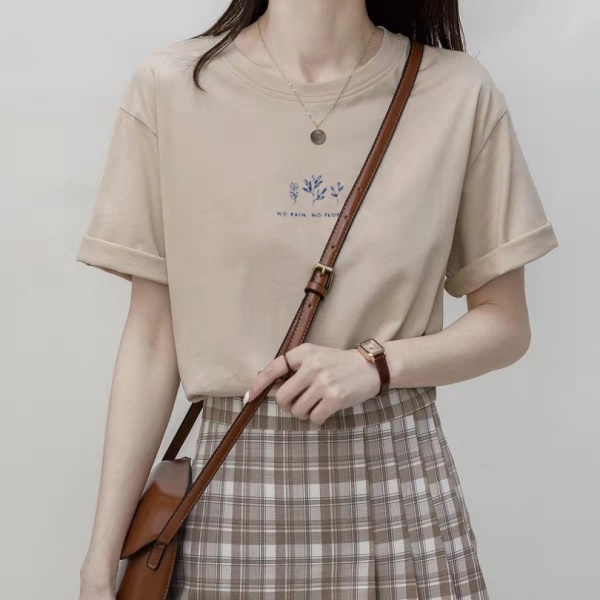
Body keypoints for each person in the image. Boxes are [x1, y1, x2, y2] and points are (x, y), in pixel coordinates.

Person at [77, 2, 559, 599]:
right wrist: (100, 559)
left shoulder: (458, 92)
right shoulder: (171, 88)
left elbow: (506, 324)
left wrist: (375, 363)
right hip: (230, 497)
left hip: (397, 491)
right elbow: (152, 339)